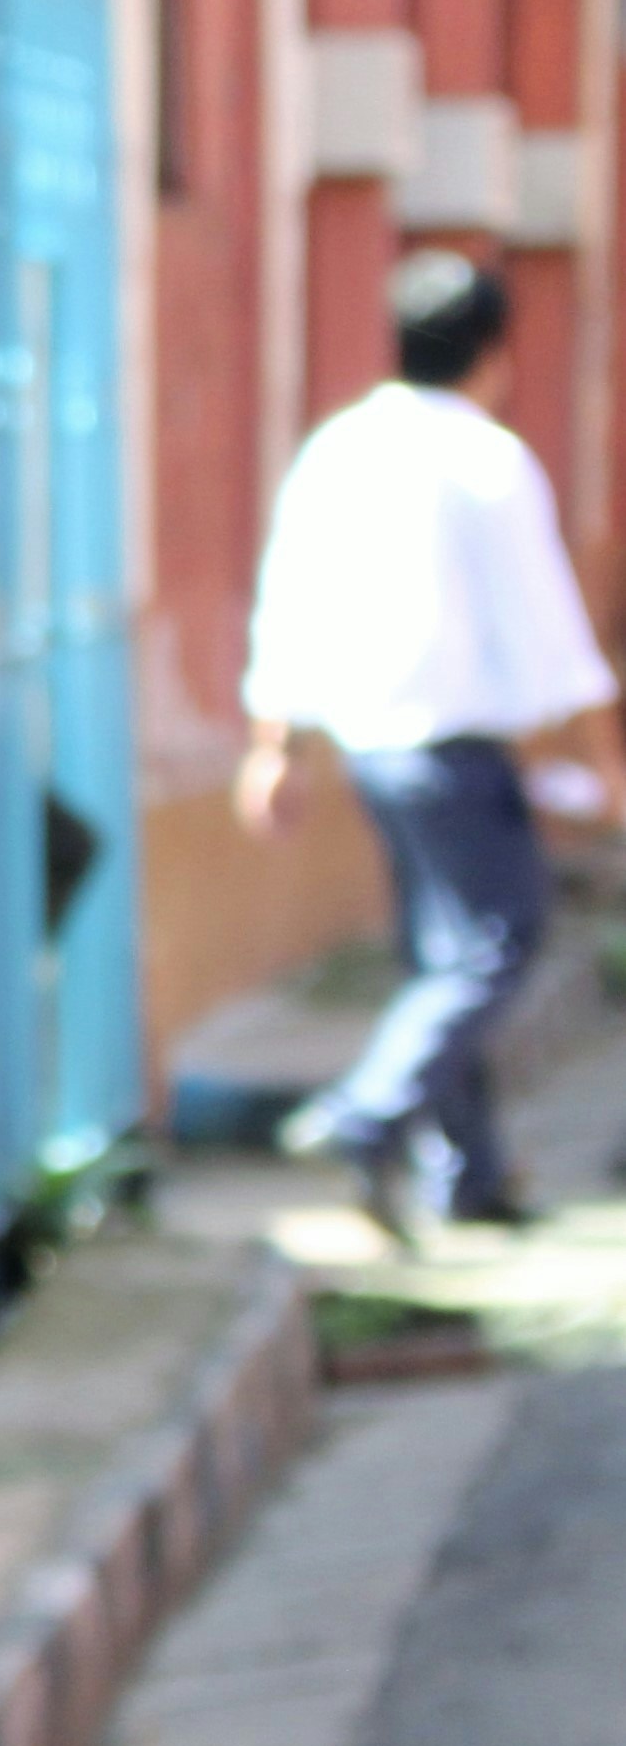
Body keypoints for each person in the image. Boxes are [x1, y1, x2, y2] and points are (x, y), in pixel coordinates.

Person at [235, 248, 626, 1240]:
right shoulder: (484, 458)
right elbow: (548, 628)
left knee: (441, 954)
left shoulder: (338, 446)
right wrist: (603, 758)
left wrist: (272, 740)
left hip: (371, 746)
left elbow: (287, 596)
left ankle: (468, 1172)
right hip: (450, 746)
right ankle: (366, 1111)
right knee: (495, 943)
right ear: (493, 355)